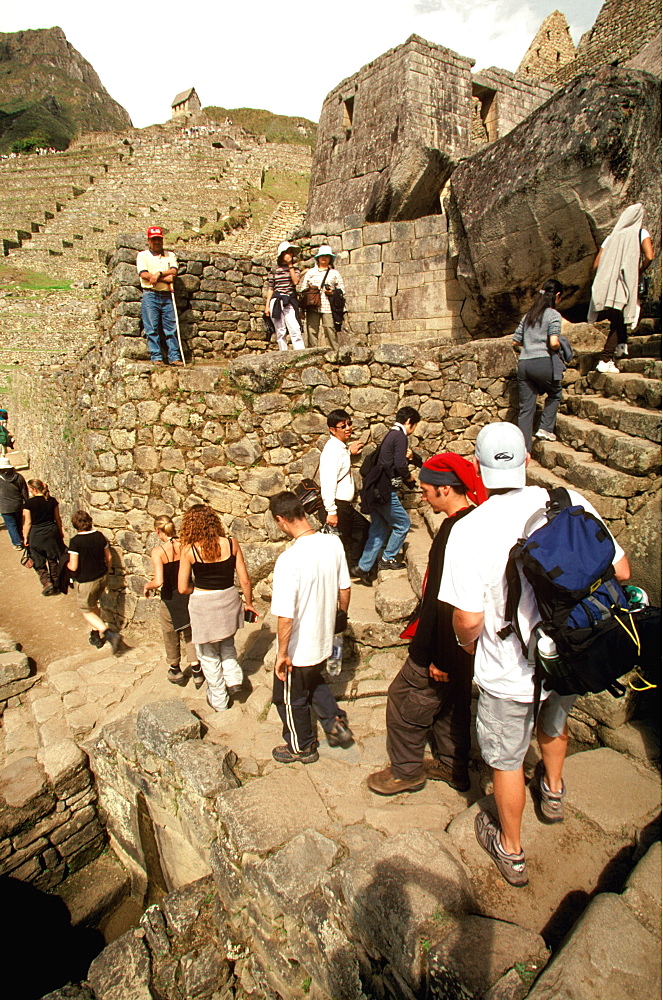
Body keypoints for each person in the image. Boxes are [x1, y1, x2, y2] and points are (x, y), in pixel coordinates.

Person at [439, 422, 629, 887]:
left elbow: (467, 619)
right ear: (527, 461)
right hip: (568, 653)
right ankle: (554, 792)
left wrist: (467, 648)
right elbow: (620, 569)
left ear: (478, 472)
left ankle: (512, 849)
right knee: (555, 723)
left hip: (509, 669)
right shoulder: (569, 503)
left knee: (505, 761)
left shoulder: (470, 530)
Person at [368, 454, 487, 795]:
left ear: (445, 490)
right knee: (452, 703)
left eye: (425, 490)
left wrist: (438, 657)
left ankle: (406, 772)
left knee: (405, 700)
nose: (422, 496)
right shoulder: (477, 520)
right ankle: (454, 767)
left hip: (445, 643)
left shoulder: (454, 531)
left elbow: (443, 600)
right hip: (469, 643)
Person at [269, 491, 353, 763]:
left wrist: (282, 654)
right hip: (323, 635)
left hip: (300, 645)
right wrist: (339, 618)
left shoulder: (288, 560)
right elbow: (345, 587)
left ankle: (301, 746)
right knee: (314, 681)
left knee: (287, 698)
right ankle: (334, 722)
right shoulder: (332, 544)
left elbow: (285, 615)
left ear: (281, 520)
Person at [178, 504, 257, 712]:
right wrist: (248, 604)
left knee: (207, 653)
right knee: (227, 642)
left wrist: (199, 587)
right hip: (229, 598)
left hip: (203, 603)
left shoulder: (189, 550)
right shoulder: (231, 543)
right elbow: (245, 580)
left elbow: (182, 587)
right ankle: (234, 679)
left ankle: (219, 700)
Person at [355, 406, 422, 586]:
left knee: (379, 529)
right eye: (413, 426)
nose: (413, 430)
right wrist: (409, 477)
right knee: (403, 524)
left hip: (375, 489)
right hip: (385, 491)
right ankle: (388, 558)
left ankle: (363, 567)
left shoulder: (389, 434)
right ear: (409, 422)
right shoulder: (400, 436)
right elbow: (399, 464)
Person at [589, 203, 655, 373]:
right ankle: (605, 359)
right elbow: (649, 256)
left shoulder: (611, 237)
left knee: (616, 319)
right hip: (624, 284)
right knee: (620, 319)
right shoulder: (640, 233)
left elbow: (596, 264)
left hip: (606, 284)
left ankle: (620, 346)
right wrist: (638, 270)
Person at [144, 515, 202, 688]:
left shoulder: (158, 552)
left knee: (170, 632)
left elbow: (159, 581)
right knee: (189, 631)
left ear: (158, 531)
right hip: (187, 593)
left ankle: (175, 668)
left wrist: (147, 585)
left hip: (170, 596)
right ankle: (196, 669)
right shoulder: (185, 545)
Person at [512, 278, 566, 449]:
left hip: (524, 363)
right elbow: (554, 342)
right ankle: (545, 428)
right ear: (557, 296)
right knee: (555, 392)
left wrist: (529, 343)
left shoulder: (529, 315)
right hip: (542, 362)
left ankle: (523, 449)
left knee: (526, 409)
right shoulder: (553, 315)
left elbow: (516, 341)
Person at [318, 409, 369, 574]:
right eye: (343, 426)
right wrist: (331, 511)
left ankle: (351, 566)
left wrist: (349, 452)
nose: (348, 428)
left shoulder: (339, 448)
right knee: (342, 541)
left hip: (344, 506)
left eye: (349, 424)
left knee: (362, 527)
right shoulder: (332, 451)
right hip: (338, 506)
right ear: (332, 430)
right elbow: (327, 483)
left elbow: (341, 458)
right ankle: (344, 572)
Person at [68, 510, 122, 653]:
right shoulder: (99, 536)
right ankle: (95, 634)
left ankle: (109, 633)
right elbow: (108, 557)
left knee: (85, 610)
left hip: (86, 581)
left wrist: (64, 566)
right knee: (93, 605)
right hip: (102, 577)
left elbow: (73, 566)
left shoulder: (75, 542)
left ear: (75, 524)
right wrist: (107, 571)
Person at [136, 226, 184, 366]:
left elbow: (173, 271)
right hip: (150, 295)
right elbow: (144, 275)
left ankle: (174, 357)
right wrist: (165, 278)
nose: (156, 242)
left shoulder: (170, 255)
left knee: (171, 328)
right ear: (149, 241)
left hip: (167, 295)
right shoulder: (142, 255)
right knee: (151, 327)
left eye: (158, 239)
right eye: (153, 239)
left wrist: (158, 274)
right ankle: (156, 357)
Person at [22, 480, 66, 596]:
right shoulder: (52, 501)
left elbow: (28, 522)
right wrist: (60, 532)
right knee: (53, 559)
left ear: (34, 489)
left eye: (30, 489)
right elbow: (57, 519)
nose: (29, 491)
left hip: (37, 535)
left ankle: (46, 582)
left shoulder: (29, 504)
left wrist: (25, 537)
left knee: (38, 560)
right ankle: (56, 583)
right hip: (52, 532)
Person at [299, 245, 345, 347]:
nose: (324, 258)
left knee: (330, 330)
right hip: (312, 306)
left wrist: (332, 292)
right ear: (318, 258)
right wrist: (302, 309)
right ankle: (313, 354)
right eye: (322, 256)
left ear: (330, 259)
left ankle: (334, 353)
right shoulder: (311, 272)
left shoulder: (334, 273)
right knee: (312, 331)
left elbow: (342, 290)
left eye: (327, 256)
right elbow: (303, 290)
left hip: (328, 306)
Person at [264, 242, 305, 351]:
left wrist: (290, 265)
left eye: (290, 252)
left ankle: (300, 353)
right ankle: (283, 354)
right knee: (280, 330)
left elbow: (295, 281)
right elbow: (271, 288)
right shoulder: (274, 270)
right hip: (276, 301)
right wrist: (267, 306)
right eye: (287, 252)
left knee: (295, 328)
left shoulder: (295, 269)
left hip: (289, 301)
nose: (289, 254)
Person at [0, 455, 28, 549]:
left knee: (11, 525)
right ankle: (21, 538)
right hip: (18, 504)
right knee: (19, 523)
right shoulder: (19, 477)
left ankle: (17, 543)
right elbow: (24, 491)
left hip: (4, 507)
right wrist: (27, 503)